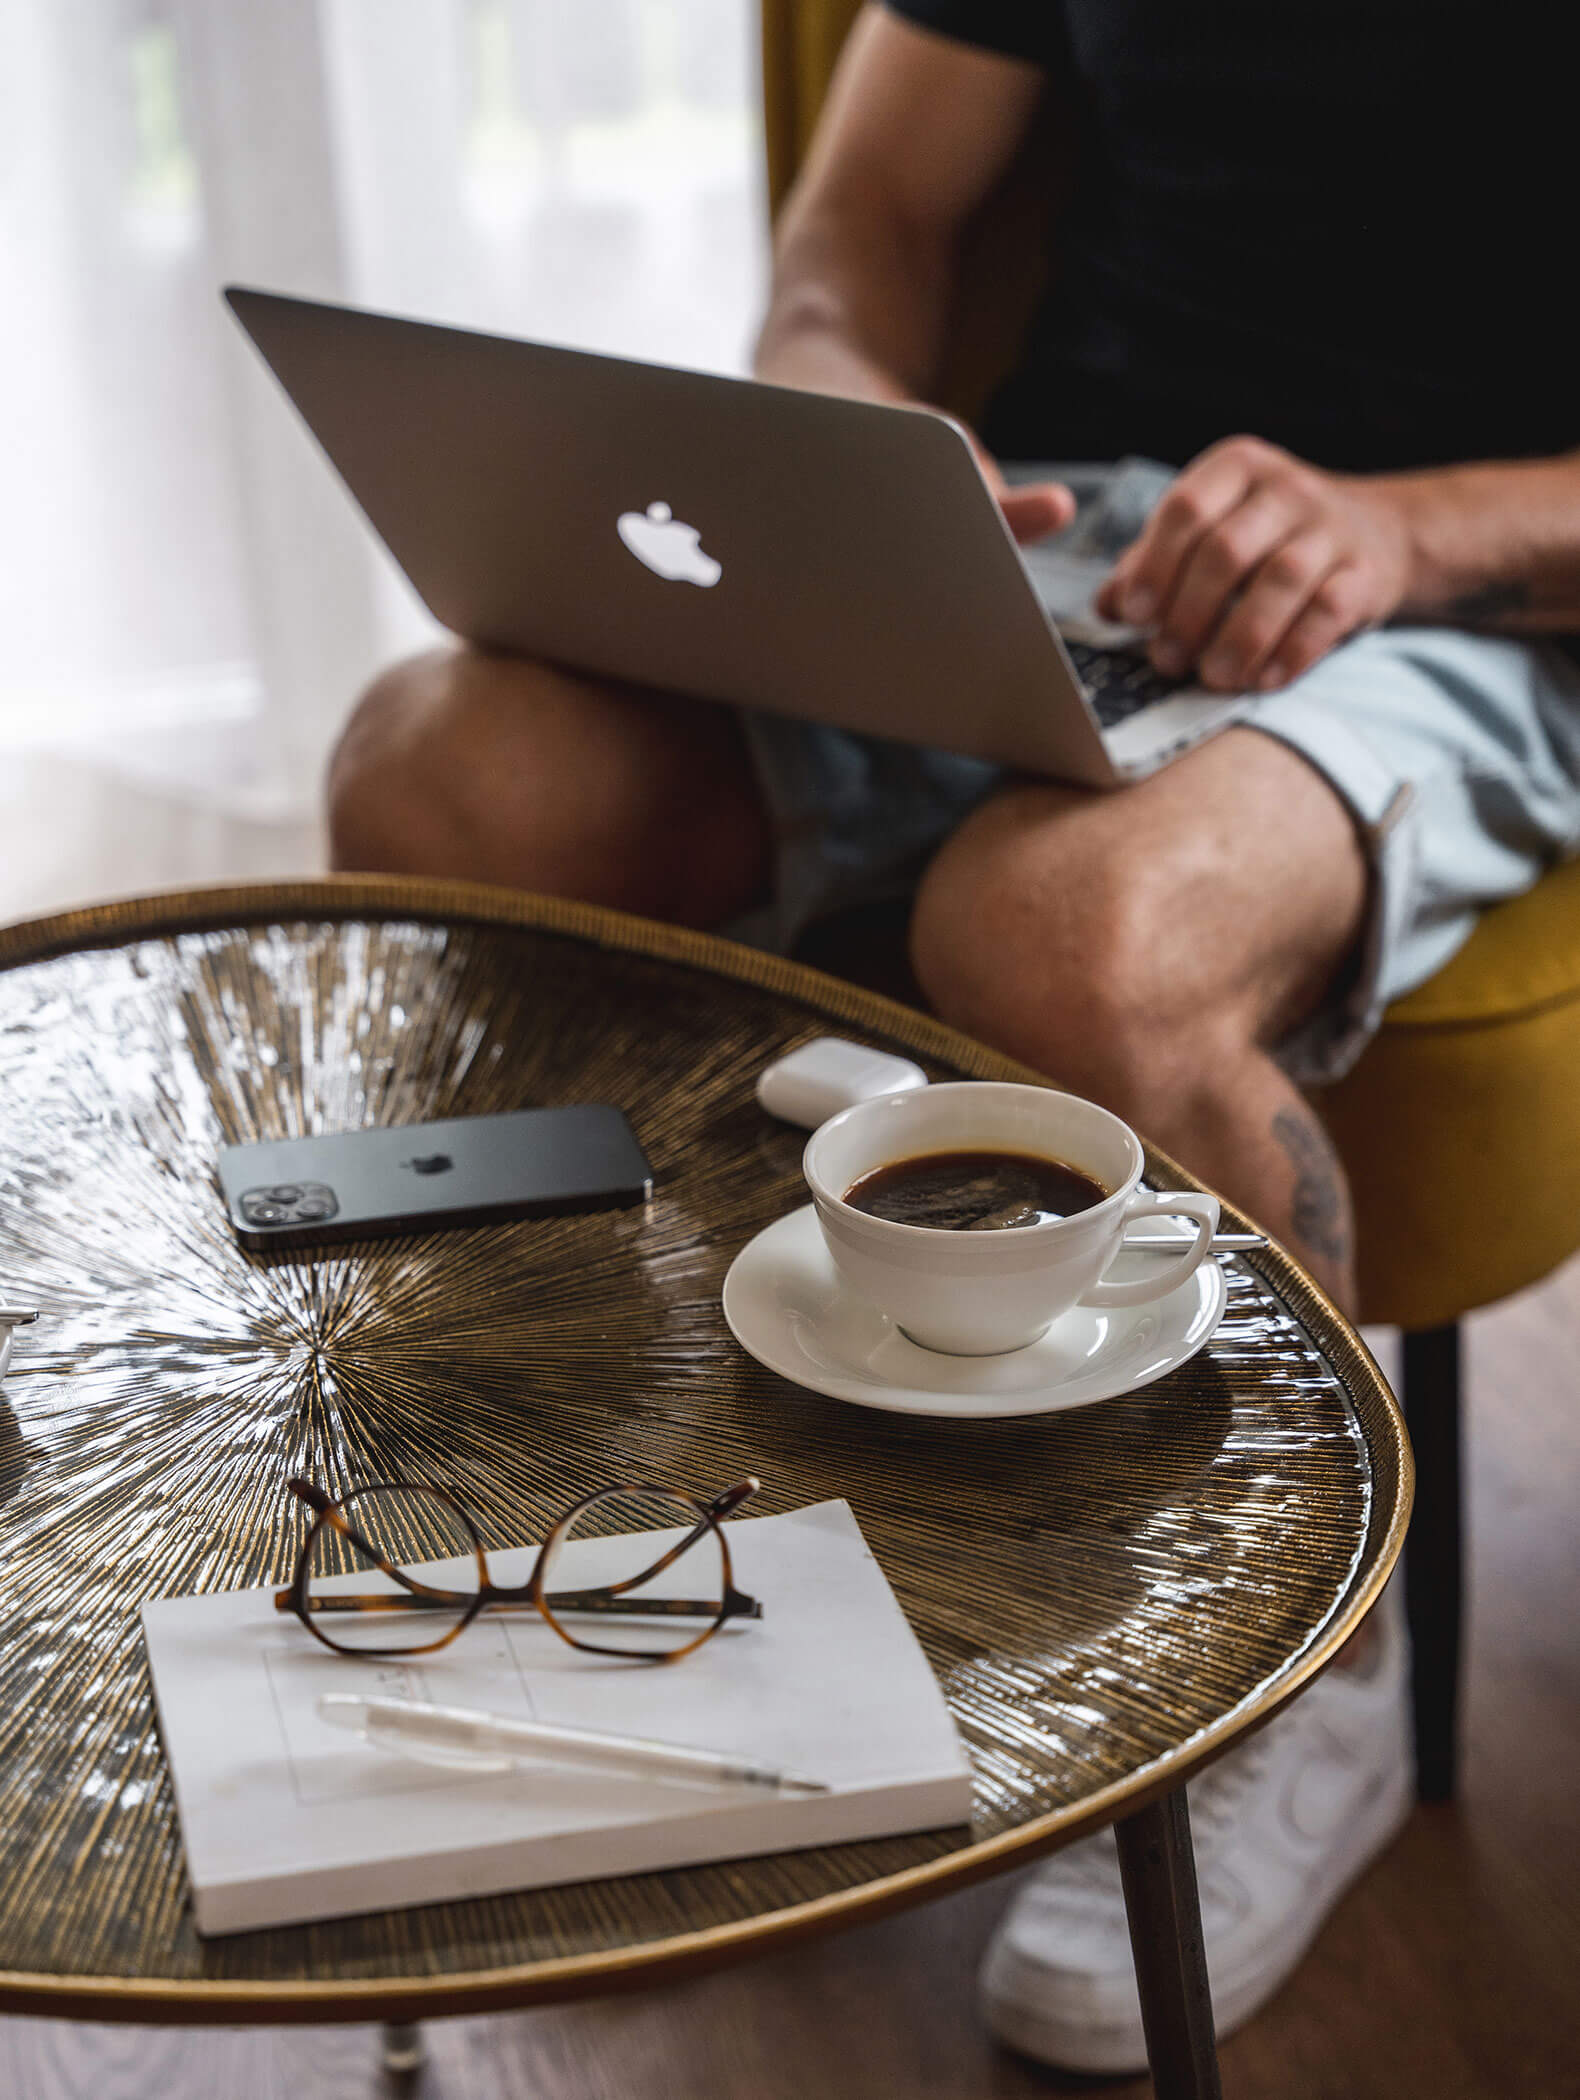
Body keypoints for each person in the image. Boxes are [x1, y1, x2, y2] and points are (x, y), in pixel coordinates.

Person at [327, 1, 1580, 2068]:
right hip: (1070, 542)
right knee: (444, 768)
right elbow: (871, 214)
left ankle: (1287, 1652)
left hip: (1476, 601)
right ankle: (663, 1579)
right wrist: (832, 407)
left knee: (1066, 928)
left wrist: (1406, 529)